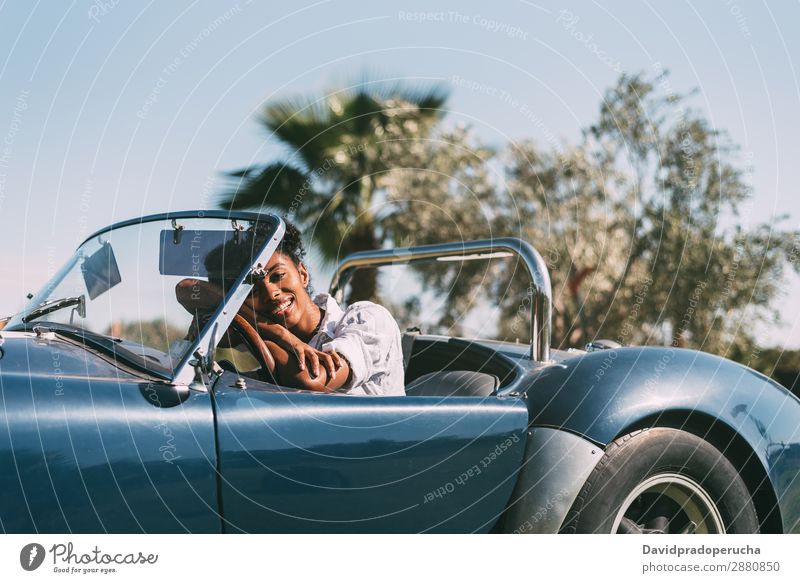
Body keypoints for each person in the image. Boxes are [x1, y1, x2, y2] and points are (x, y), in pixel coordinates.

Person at [176, 221, 405, 396]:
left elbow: (312, 380)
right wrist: (279, 334)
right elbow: (186, 288)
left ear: (302, 274)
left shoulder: (368, 319)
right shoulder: (276, 337)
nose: (271, 293)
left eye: (278, 276)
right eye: (253, 289)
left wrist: (250, 332)